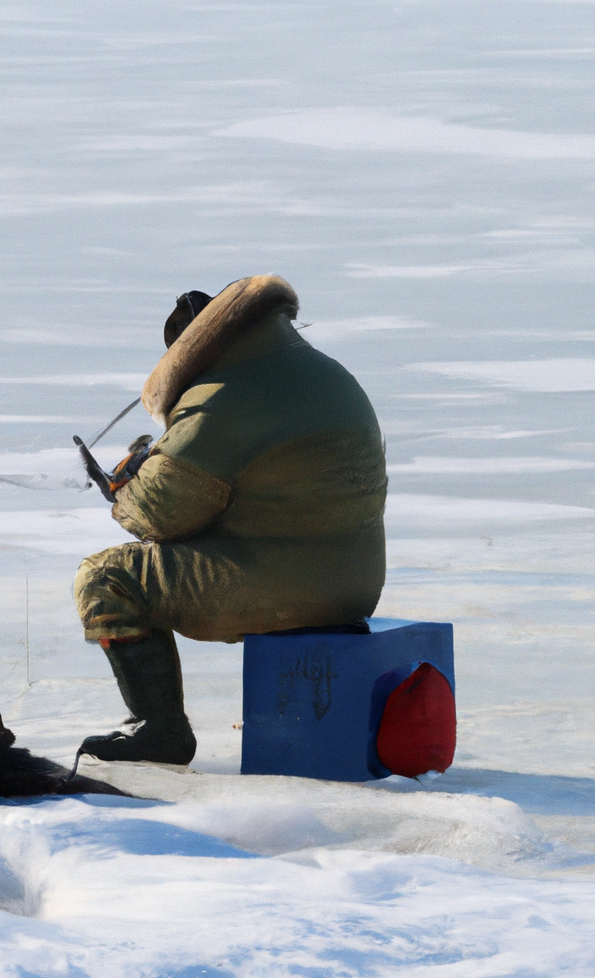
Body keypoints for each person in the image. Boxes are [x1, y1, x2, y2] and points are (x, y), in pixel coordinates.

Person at [74, 275, 387, 764]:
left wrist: (123, 488)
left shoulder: (222, 396)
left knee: (105, 578)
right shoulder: (327, 373)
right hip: (351, 587)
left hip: (280, 589)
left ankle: (161, 730)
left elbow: (160, 515)